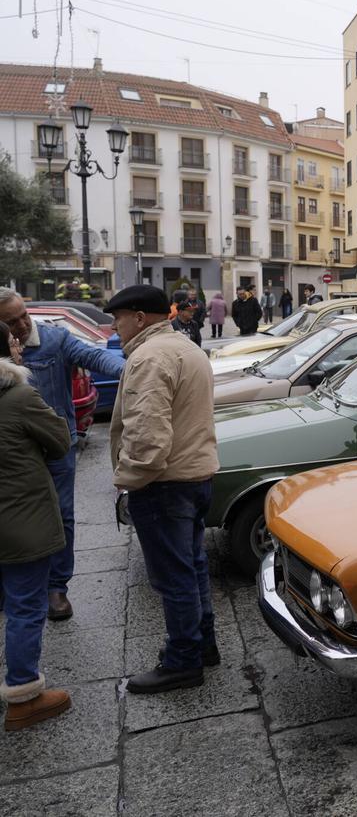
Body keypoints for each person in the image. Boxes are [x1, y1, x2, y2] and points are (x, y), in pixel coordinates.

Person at [105, 285, 220, 694]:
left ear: (139, 318)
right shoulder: (185, 347)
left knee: (173, 577)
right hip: (195, 476)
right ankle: (202, 644)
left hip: (164, 484)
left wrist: (127, 480)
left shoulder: (150, 356)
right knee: (191, 568)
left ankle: (183, 660)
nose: (115, 329)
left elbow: (147, 436)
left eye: (118, 319)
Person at [0, 287, 126, 620]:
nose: (22, 325)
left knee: (62, 516)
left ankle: (57, 588)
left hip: (58, 447)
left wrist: (133, 371)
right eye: (11, 322)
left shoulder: (55, 339)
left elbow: (96, 357)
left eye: (23, 315)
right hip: (14, 454)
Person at [0, 320, 74, 731]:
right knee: (26, 607)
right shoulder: (19, 396)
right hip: (19, 520)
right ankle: (24, 695)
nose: (18, 342)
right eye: (11, 338)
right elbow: (59, 441)